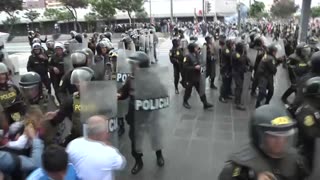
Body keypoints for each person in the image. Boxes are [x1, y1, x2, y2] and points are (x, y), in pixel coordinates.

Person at [218, 104, 309, 180]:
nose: (280, 141)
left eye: (285, 136)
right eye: (274, 136)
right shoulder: (239, 169)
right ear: (259, 136)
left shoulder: (296, 161)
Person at [66, 115, 126, 180]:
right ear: (99, 134)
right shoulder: (109, 153)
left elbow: (68, 163)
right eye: (106, 131)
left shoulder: (73, 144)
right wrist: (108, 146)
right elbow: (121, 164)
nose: (107, 133)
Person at [182, 42, 213, 109]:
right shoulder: (187, 56)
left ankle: (205, 103)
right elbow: (185, 67)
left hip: (197, 77)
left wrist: (202, 72)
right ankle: (185, 102)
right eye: (196, 47)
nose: (197, 48)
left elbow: (201, 63)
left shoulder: (197, 54)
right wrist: (194, 68)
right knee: (188, 91)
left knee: (201, 90)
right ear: (192, 48)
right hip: (190, 78)